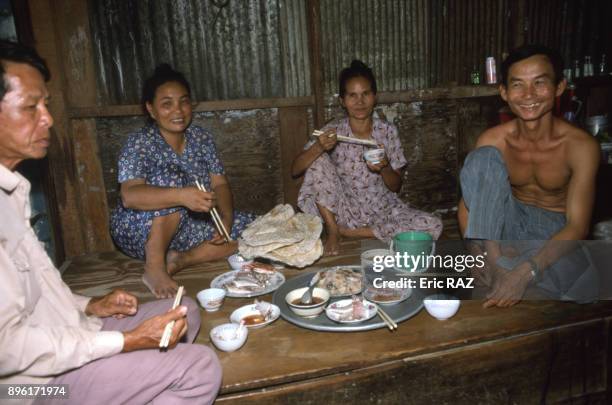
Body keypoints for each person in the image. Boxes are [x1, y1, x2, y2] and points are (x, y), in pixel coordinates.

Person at [0, 40, 221, 404]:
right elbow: (8, 348)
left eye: (46, 105)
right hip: (32, 387)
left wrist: (89, 306)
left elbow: (36, 290)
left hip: (70, 333)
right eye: (30, 107)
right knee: (199, 367)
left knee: (185, 314)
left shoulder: (12, 192)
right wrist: (127, 341)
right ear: (150, 109)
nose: (48, 119)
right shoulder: (140, 144)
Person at [458, 45, 600, 307]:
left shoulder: (581, 146)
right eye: (518, 85)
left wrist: (525, 272)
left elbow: (578, 226)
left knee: (560, 298)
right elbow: (469, 209)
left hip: (555, 232)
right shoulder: (495, 139)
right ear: (504, 92)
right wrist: (477, 254)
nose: (528, 95)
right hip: (506, 227)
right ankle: (497, 260)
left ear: (559, 87)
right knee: (484, 156)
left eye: (539, 83)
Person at [111, 64, 256, 298]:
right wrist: (181, 195)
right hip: (141, 230)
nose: (178, 111)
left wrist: (226, 220)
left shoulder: (201, 138)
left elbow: (219, 184)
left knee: (254, 231)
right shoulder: (139, 143)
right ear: (151, 109)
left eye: (184, 101)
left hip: (188, 226)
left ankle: (181, 259)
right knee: (173, 177)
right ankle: (155, 267)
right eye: (167, 104)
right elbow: (129, 196)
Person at [293, 60, 442, 256]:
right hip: (344, 210)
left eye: (366, 94)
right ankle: (333, 230)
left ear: (375, 96)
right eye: (352, 95)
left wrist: (385, 167)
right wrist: (319, 146)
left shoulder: (387, 132)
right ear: (342, 101)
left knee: (433, 225)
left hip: (383, 211)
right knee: (317, 159)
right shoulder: (333, 131)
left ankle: (350, 232)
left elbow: (396, 186)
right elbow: (295, 170)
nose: (360, 102)